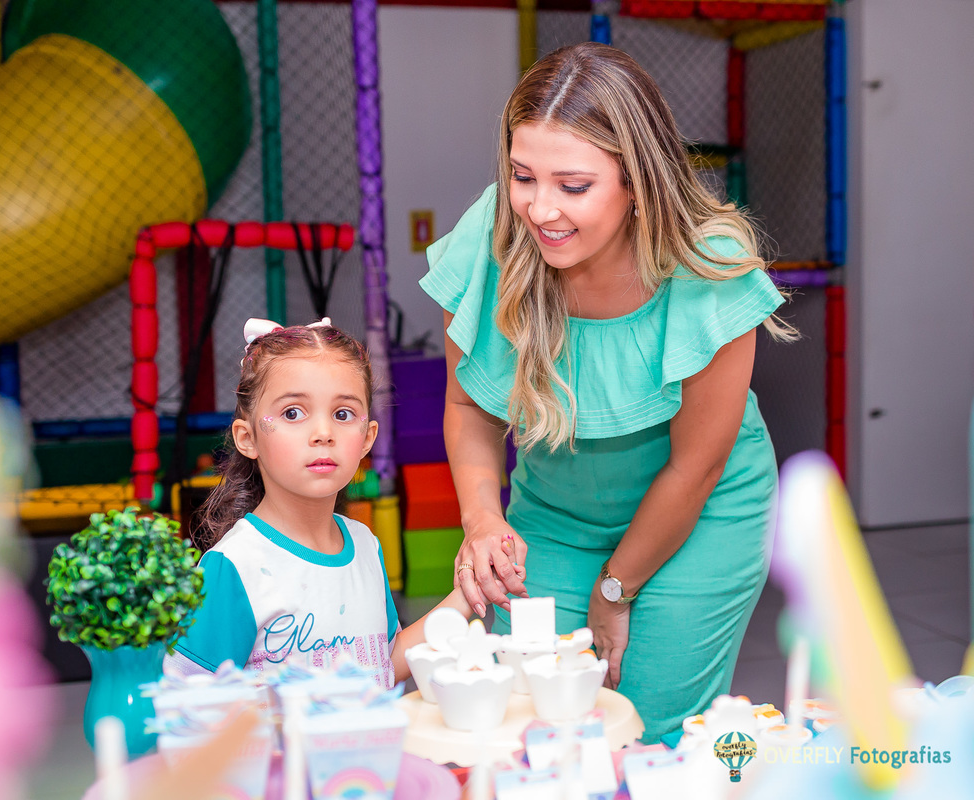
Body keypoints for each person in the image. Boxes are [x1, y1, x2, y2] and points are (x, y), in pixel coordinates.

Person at [420, 42, 795, 742]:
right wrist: (481, 521)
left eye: (573, 185)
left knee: (646, 730)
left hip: (700, 518)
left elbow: (698, 466)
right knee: (531, 728)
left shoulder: (707, 269)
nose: (540, 209)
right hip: (555, 515)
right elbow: (468, 404)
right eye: (522, 176)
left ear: (636, 179)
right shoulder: (493, 233)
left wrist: (615, 588)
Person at [164, 318, 472, 688]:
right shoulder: (235, 566)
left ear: (367, 437)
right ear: (248, 438)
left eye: (343, 414)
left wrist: (470, 594)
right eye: (292, 413)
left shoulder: (365, 545)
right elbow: (187, 702)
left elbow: (383, 663)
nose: (324, 433)